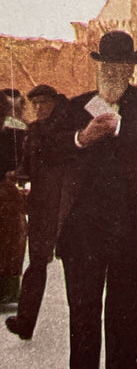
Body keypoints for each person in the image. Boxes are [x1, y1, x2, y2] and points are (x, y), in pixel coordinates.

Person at [54, 31, 137, 369]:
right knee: (83, 314)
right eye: (108, 65)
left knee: (125, 314)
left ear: (131, 69)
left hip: (125, 229)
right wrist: (82, 138)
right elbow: (46, 148)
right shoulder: (77, 107)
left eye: (122, 65)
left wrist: (120, 129)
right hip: (81, 232)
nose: (115, 71)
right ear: (99, 66)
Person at [5, 85, 70, 340]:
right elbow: (28, 166)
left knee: (75, 266)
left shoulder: (66, 128)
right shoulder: (33, 131)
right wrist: (17, 174)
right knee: (37, 264)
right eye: (36, 104)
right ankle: (25, 322)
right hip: (42, 206)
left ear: (54, 102)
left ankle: (83, 320)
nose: (40, 108)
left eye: (44, 102)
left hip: (68, 206)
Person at [0, 90, 27, 306]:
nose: (12, 113)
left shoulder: (20, 128)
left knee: (12, 242)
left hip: (10, 193)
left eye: (17, 107)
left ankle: (10, 289)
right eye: (8, 108)